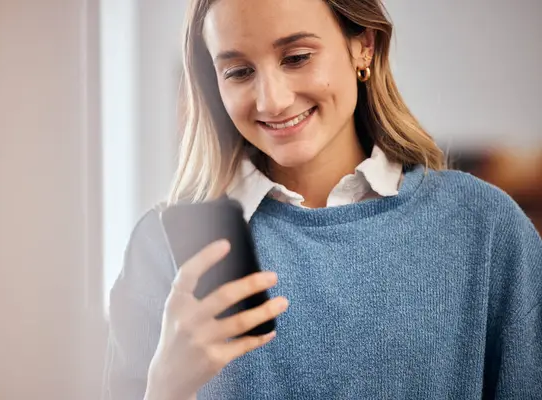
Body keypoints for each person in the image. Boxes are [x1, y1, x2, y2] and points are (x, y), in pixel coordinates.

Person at [102, 0, 542, 399]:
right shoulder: (162, 250)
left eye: (296, 58)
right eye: (238, 71)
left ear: (363, 47)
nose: (271, 100)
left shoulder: (484, 228)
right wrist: (165, 387)